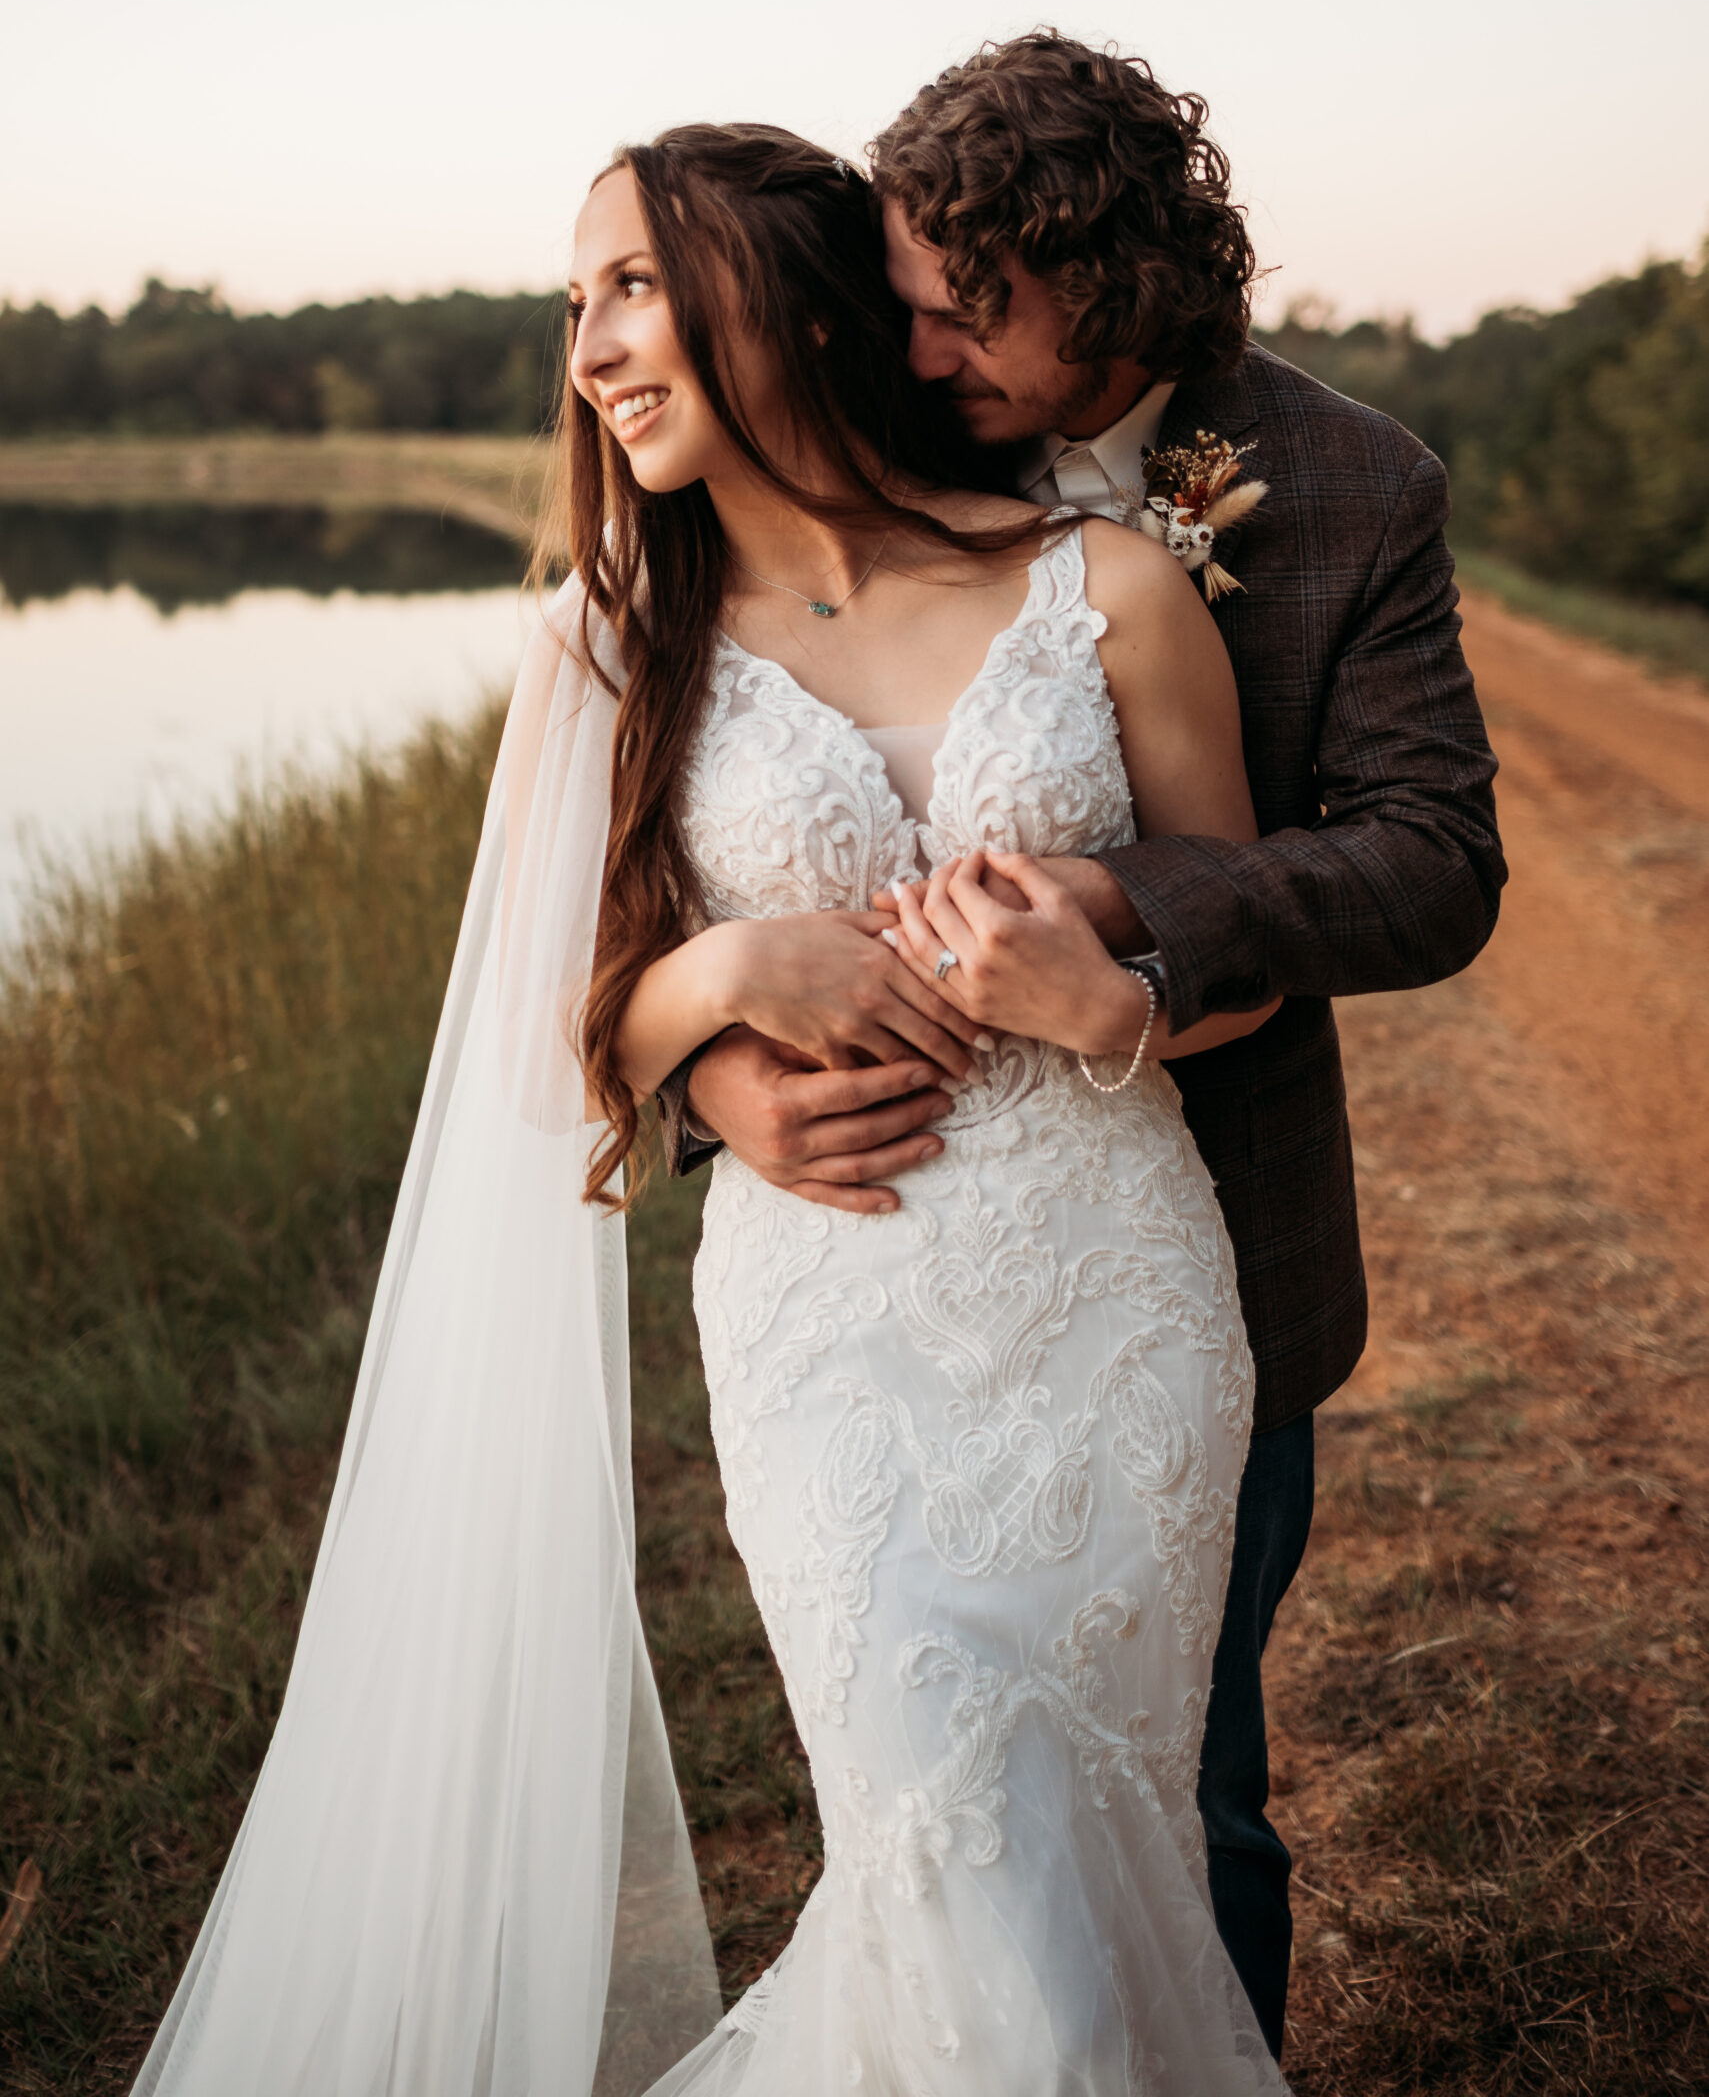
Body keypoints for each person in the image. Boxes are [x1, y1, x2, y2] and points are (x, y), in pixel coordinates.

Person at [133, 124, 1290, 2095]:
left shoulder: (1108, 583)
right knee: (960, 1844)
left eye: (630, 282)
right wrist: (730, 987)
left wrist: (1103, 992)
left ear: (790, 293)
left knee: (1099, 1859)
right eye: (574, 299)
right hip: (833, 1328)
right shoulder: (610, 635)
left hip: (1115, 1314)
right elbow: (539, 1037)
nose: (586, 340)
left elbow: (1241, 945)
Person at [662, 36, 1506, 2059]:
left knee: (1182, 1790)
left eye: (977, 307)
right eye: (903, 292)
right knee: (934, 1801)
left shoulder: (1355, 482)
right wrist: (711, 1067)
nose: (919, 344)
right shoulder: (849, 433)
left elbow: (1430, 862)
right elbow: (715, 820)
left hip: (1177, 1260)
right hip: (862, 1270)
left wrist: (1121, 928)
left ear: (1118, 290)